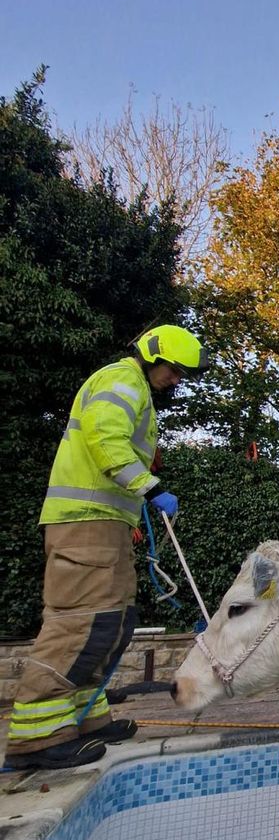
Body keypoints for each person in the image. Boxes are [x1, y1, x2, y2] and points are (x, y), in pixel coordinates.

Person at [4, 325, 208, 771]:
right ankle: (36, 738)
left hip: (106, 523)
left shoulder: (133, 387)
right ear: (153, 357)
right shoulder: (121, 380)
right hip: (85, 523)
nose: (177, 379)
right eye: (175, 370)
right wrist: (148, 486)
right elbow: (105, 437)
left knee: (111, 621)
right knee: (81, 620)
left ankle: (85, 717)